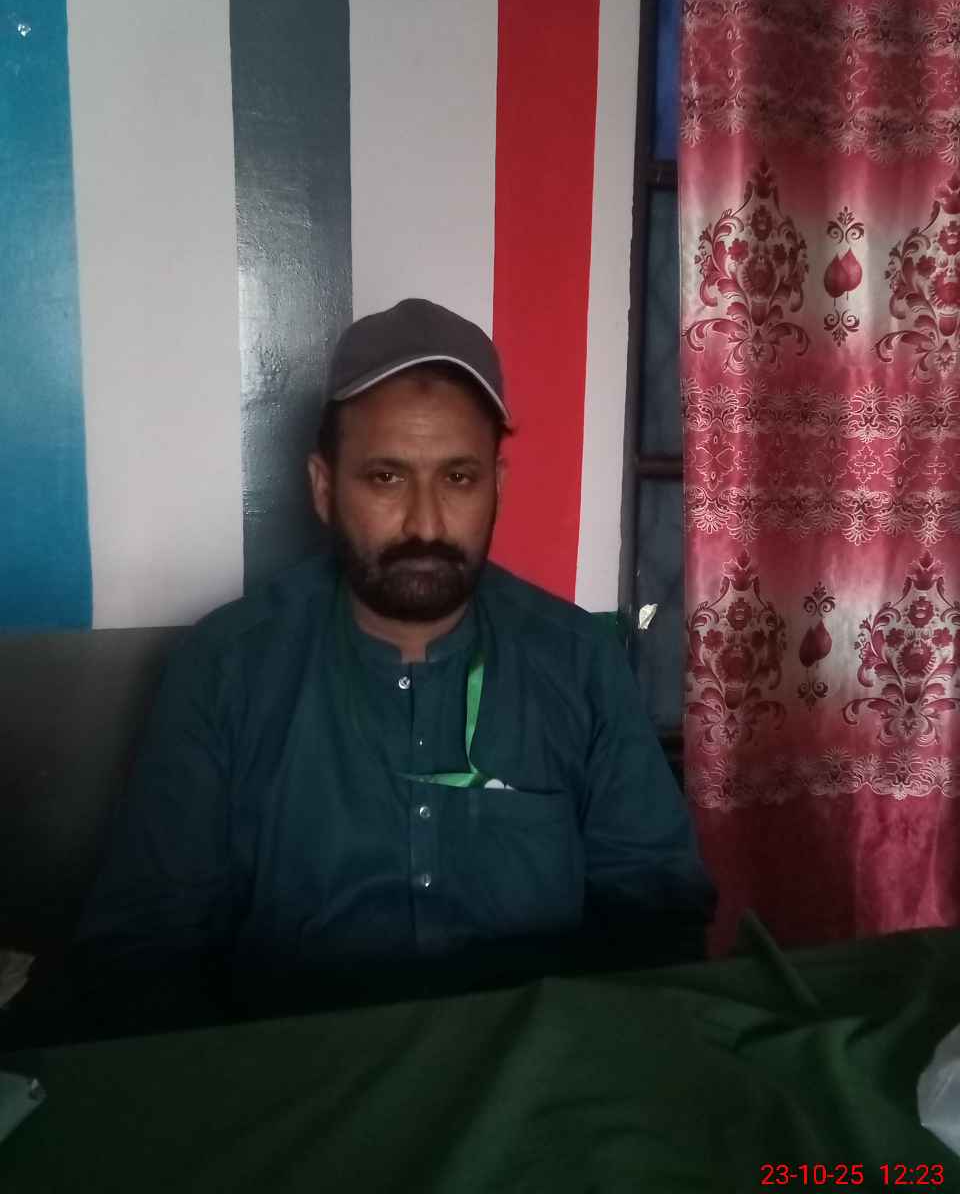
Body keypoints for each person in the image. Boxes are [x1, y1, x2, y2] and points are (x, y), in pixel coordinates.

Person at [11, 299, 714, 1041]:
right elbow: (143, 951)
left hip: (533, 1081)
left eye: (459, 478)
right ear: (324, 489)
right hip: (297, 1087)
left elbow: (658, 914)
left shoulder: (577, 661)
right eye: (385, 477)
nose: (425, 523)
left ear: (498, 485)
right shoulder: (224, 669)